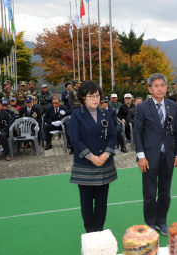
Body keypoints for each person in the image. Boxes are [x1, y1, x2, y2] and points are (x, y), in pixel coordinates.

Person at [134, 73, 177, 235]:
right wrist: (141, 156)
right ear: (150, 89)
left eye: (162, 85)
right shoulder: (142, 107)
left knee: (164, 193)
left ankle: (161, 221)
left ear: (167, 88)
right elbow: (137, 133)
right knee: (149, 193)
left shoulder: (173, 106)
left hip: (168, 156)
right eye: (156, 86)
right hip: (148, 157)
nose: (160, 88)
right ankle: (150, 223)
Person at [69, 80, 117, 233]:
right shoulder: (77, 115)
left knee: (102, 201)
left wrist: (105, 155)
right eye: (91, 96)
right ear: (83, 97)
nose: (95, 99)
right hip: (85, 165)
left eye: (97, 95)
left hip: (105, 163)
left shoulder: (106, 113)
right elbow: (75, 140)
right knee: (87, 201)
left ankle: (100, 229)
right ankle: (90, 230)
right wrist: (92, 157)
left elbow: (113, 136)